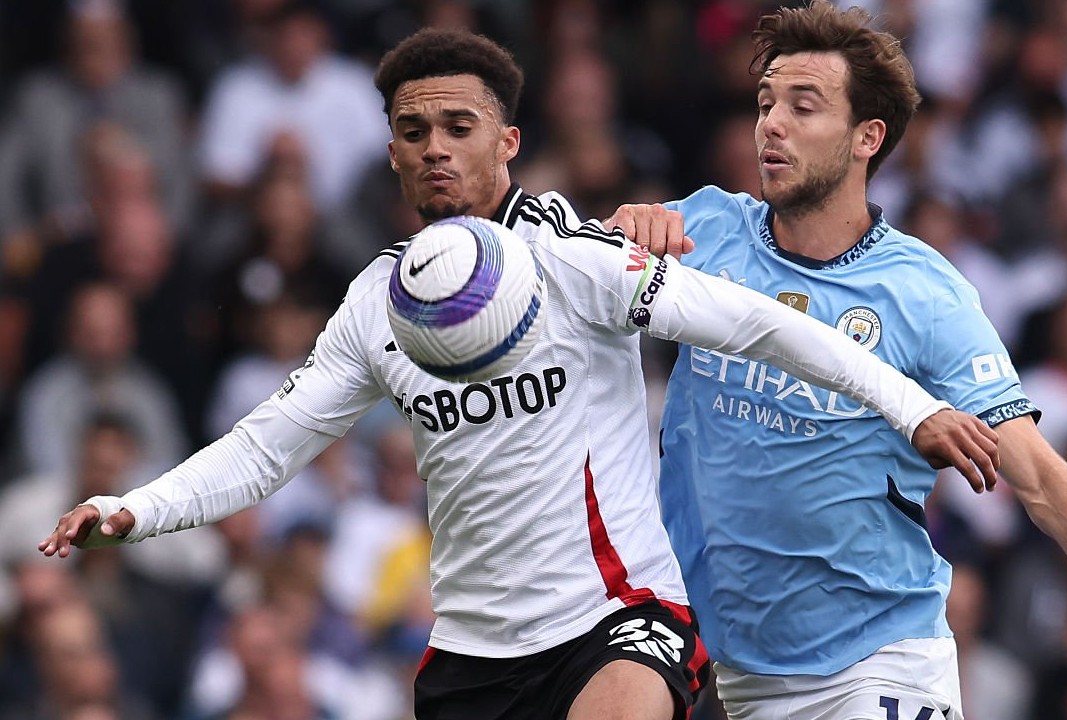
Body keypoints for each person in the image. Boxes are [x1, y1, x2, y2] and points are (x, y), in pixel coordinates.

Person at [40, 27, 1001, 720]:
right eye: (415, 133)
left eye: (460, 127)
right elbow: (265, 449)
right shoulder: (376, 305)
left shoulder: (575, 260)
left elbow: (755, 323)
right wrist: (135, 508)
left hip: (619, 621)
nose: (437, 149)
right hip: (471, 652)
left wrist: (911, 408)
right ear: (391, 157)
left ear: (506, 144)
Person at [607, 3, 1067, 718]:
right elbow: (567, 290)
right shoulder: (707, 229)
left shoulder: (925, 292)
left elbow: (1033, 471)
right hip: (728, 665)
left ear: (866, 137)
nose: (770, 125)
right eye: (765, 103)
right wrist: (618, 233)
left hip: (875, 661)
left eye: (802, 106)